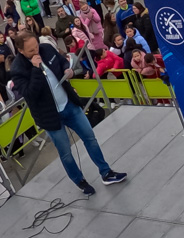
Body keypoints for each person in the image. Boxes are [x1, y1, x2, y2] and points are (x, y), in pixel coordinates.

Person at [7, 30, 127, 196]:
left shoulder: (46, 49)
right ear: (20, 50)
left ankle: (106, 172)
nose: (36, 51)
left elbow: (62, 61)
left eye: (36, 46)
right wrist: (35, 69)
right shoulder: (18, 69)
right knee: (65, 152)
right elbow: (30, 94)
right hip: (50, 117)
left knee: (90, 138)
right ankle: (79, 181)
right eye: (31, 50)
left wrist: (67, 70)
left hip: (69, 104)